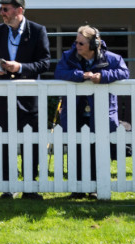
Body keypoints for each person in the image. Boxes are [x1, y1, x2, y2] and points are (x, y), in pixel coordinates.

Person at [0, 0, 52, 198]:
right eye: (1, 10)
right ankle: (8, 186)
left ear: (19, 11)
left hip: (29, 95)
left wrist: (21, 67)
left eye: (5, 9)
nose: (2, 13)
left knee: (31, 140)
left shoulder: (37, 30)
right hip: (3, 93)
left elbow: (45, 63)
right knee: (5, 139)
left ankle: (29, 187)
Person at [55, 25, 129, 198]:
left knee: (98, 148)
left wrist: (103, 77)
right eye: (76, 42)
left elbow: (124, 72)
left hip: (101, 109)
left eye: (81, 43)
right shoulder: (68, 56)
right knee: (76, 147)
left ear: (93, 44)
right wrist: (82, 75)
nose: (77, 46)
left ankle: (96, 187)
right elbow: (59, 72)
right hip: (76, 109)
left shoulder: (112, 58)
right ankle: (78, 188)